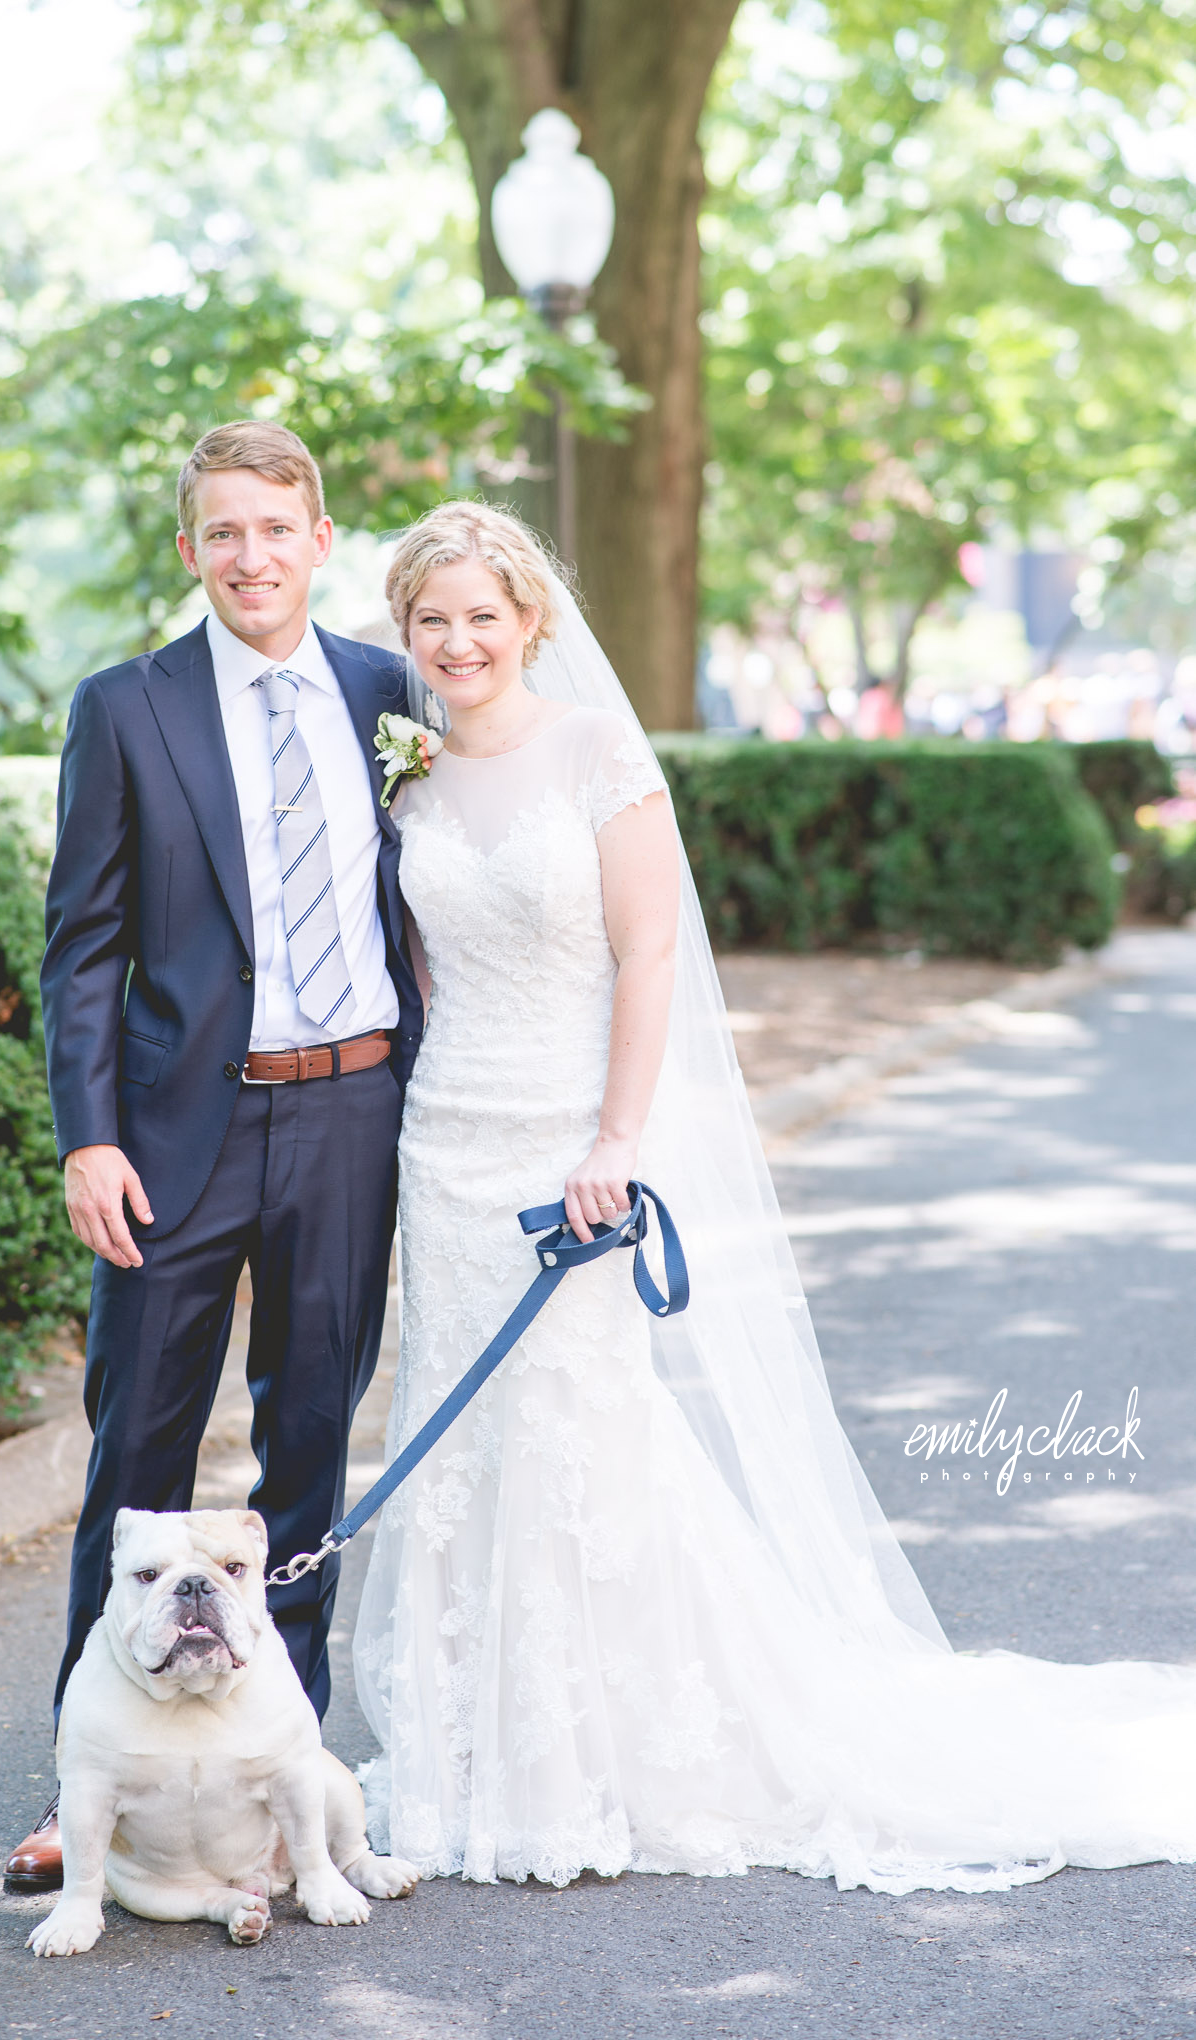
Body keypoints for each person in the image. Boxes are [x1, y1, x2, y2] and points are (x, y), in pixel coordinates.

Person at [353, 500, 1196, 1894]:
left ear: (529, 623)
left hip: (570, 1145)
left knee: (579, 1437)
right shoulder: (414, 774)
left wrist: (614, 1138)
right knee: (467, 1454)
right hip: (445, 1145)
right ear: (408, 633)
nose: (455, 643)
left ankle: (597, 1763)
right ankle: (476, 1764)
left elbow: (648, 959)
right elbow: (427, 966)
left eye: (479, 618)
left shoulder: (594, 755)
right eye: (430, 621)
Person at [4, 421, 422, 1893]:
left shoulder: (391, 693)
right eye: (222, 532)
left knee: (309, 1441)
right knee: (139, 1458)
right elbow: (84, 947)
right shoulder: (125, 709)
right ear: (191, 551)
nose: (251, 555)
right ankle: (82, 1783)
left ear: (320, 541)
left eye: (276, 527)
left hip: (349, 1116)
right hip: (177, 1134)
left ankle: (278, 1779)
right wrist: (90, 1137)